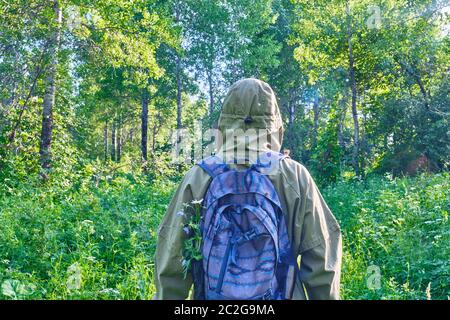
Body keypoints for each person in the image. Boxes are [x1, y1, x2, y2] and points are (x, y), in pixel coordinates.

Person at [154, 78, 342, 300]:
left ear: (222, 125)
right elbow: (321, 258)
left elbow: (172, 259)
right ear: (276, 128)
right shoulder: (294, 176)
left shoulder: (199, 176)